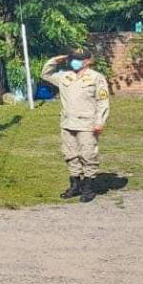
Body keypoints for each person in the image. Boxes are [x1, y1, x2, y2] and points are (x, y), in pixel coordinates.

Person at [41, 49, 111, 203]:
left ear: (87, 61)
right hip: (68, 122)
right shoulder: (65, 76)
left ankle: (88, 188)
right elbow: (45, 74)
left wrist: (100, 121)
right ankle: (75, 186)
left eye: (78, 59)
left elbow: (103, 101)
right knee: (70, 154)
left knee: (88, 155)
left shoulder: (96, 78)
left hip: (87, 123)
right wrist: (55, 60)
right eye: (73, 58)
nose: (74, 61)